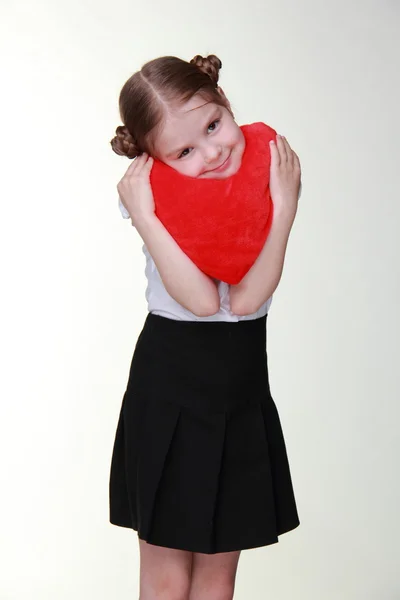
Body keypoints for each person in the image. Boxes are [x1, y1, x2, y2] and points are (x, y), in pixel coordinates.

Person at [109, 53, 302, 600]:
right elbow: (198, 300)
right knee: (168, 577)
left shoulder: (267, 179)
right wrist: (145, 216)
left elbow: (246, 300)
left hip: (239, 392)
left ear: (226, 105)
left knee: (218, 576)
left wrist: (283, 207)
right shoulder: (153, 201)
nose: (213, 152)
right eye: (184, 151)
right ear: (153, 159)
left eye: (214, 125)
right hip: (168, 390)